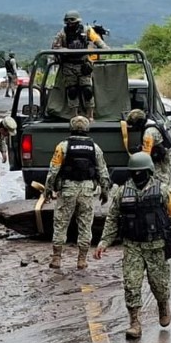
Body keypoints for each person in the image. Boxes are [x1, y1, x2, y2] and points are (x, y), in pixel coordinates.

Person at [94, 153, 171, 339]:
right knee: (131, 285)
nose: (138, 175)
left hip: (156, 246)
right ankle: (134, 323)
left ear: (149, 171)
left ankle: (163, 305)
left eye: (141, 171)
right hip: (133, 246)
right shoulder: (122, 193)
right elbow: (112, 219)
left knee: (159, 285)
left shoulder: (163, 191)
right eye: (135, 172)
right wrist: (104, 241)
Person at [44, 115, 112, 269]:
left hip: (67, 189)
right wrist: (105, 191)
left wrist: (48, 190)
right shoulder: (95, 148)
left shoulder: (63, 146)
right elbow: (103, 172)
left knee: (61, 223)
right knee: (85, 224)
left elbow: (53, 171)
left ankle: (56, 259)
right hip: (87, 190)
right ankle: (82, 260)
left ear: (71, 128)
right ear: (87, 129)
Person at [51, 10, 108, 121]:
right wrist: (66, 51)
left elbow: (98, 41)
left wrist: (105, 49)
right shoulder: (62, 33)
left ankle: (90, 115)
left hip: (83, 64)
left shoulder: (86, 30)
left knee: (87, 90)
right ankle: (74, 115)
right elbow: (55, 47)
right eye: (67, 21)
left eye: (72, 21)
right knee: (72, 91)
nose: (70, 23)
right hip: (69, 65)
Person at [126, 108, 171, 188]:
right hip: (167, 159)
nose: (134, 128)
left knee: (162, 188)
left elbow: (146, 156)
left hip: (164, 164)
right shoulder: (152, 123)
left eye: (134, 125)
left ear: (139, 122)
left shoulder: (148, 133)